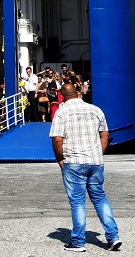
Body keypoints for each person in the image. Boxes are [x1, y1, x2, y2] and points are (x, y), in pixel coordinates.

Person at [50, 84, 122, 252]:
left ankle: (78, 242)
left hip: (73, 161)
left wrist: (60, 159)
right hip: (95, 162)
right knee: (100, 198)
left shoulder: (61, 112)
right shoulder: (96, 110)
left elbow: (57, 140)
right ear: (78, 93)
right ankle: (113, 237)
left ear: (62, 96)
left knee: (77, 202)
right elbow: (105, 134)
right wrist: (98, 154)